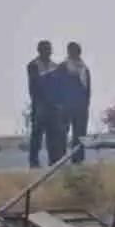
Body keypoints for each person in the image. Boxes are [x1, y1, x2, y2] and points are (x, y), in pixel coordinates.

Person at [25, 40, 65, 168]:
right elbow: (34, 86)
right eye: (45, 49)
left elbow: (59, 86)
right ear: (39, 50)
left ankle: (53, 161)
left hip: (54, 106)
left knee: (53, 135)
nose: (48, 52)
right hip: (40, 105)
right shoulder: (33, 65)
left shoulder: (55, 66)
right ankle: (34, 162)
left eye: (49, 49)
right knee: (37, 135)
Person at [59, 41, 93, 164]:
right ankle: (60, 159)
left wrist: (86, 103)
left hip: (81, 107)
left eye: (78, 50)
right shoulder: (63, 67)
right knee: (62, 133)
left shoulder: (84, 68)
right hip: (66, 106)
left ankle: (78, 160)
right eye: (73, 50)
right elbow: (58, 87)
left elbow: (87, 89)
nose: (76, 53)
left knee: (80, 135)